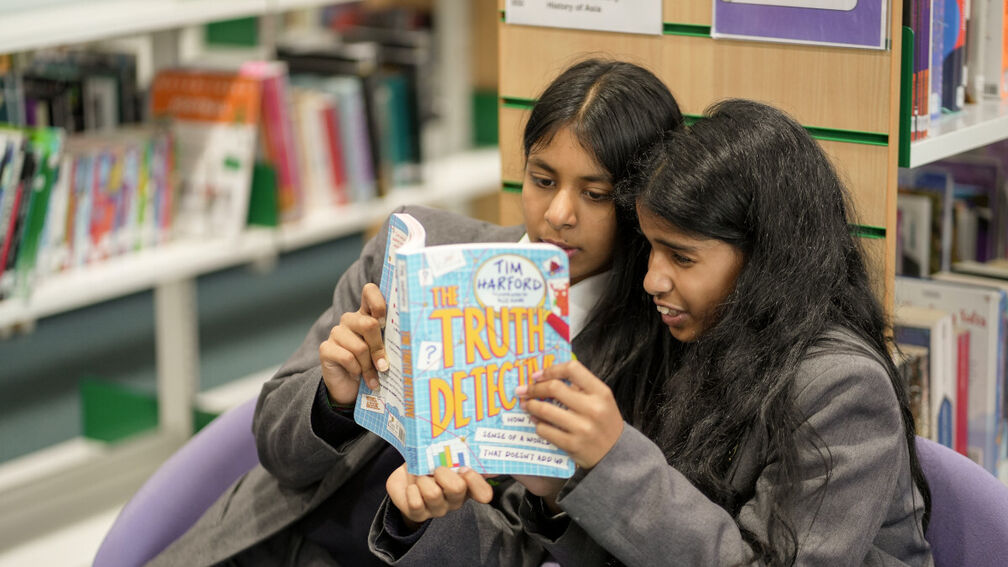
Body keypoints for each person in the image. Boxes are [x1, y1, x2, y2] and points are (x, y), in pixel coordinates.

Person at [145, 58, 683, 567]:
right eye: (542, 181)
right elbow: (276, 449)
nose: (559, 215)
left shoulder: (643, 361)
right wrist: (333, 401)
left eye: (594, 194)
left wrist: (425, 520)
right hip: (275, 541)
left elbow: (542, 555)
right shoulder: (416, 246)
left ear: (639, 205)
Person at [374, 99, 934, 566]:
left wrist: (612, 457)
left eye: (682, 258)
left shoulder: (842, 389)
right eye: (650, 249)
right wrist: (557, 494)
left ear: (766, 261)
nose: (651, 279)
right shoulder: (699, 342)